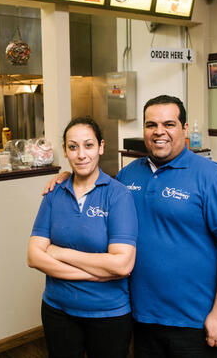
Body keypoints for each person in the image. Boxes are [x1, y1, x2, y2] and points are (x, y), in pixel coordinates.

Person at [45, 96, 217, 357]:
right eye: (151, 124)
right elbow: (94, 187)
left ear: (185, 129)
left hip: (192, 319)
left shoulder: (211, 176)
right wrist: (67, 178)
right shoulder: (129, 174)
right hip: (140, 316)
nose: (159, 131)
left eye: (169, 124)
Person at [28, 117, 138, 358]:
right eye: (73, 146)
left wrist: (60, 253)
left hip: (108, 315)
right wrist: (94, 273)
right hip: (58, 311)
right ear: (66, 152)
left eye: (88, 145)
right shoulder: (54, 193)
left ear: (101, 147)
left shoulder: (118, 196)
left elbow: (122, 264)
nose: (81, 154)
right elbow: (34, 257)